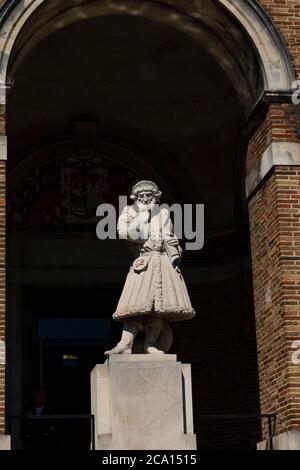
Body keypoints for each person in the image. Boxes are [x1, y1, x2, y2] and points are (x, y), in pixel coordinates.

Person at [105, 180, 195, 356]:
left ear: (156, 196)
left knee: (157, 308)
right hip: (143, 261)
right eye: (141, 195)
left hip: (162, 261)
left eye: (149, 195)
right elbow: (125, 232)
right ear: (135, 197)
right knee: (135, 305)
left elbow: (169, 235)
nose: (145, 198)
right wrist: (143, 215)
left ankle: (150, 344)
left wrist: (173, 250)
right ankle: (125, 343)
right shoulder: (129, 211)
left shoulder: (163, 212)